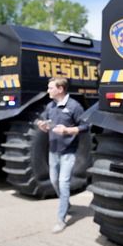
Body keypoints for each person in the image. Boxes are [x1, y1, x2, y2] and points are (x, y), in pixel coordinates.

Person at [37, 77, 89, 234]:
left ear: (60, 89)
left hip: (68, 151)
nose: (48, 91)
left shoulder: (74, 106)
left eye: (50, 88)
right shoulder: (50, 106)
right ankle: (66, 203)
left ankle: (61, 219)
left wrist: (67, 131)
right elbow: (49, 125)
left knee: (63, 182)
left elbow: (86, 126)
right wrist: (44, 127)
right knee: (54, 181)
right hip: (53, 150)